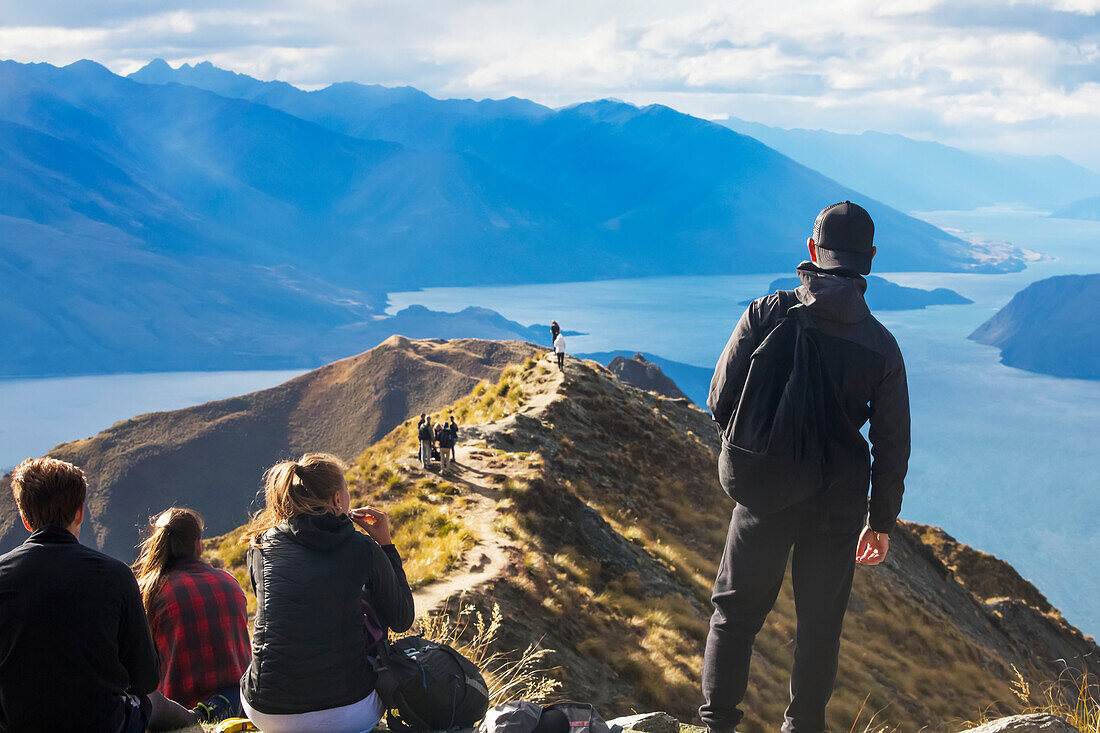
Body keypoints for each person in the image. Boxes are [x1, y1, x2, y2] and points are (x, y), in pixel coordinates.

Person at [701, 201, 910, 733]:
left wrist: (757, 450)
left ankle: (717, 725)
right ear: (871, 259)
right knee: (819, 629)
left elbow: (720, 400)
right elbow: (892, 445)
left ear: (813, 251)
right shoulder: (882, 348)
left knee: (734, 616)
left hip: (764, 491)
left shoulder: (766, 313)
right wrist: (880, 522)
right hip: (836, 507)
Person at [0, 457, 197, 732]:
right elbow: (145, 680)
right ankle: (194, 721)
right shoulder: (115, 576)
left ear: (24, 519)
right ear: (80, 512)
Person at [239, 452, 415, 733]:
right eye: (346, 490)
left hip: (267, 711)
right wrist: (385, 545)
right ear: (336, 500)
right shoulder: (362, 547)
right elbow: (402, 618)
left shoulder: (261, 547)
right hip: (349, 712)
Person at [133, 507, 251, 724]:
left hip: (179, 712)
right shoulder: (230, 583)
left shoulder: (149, 592)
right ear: (198, 545)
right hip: (238, 707)